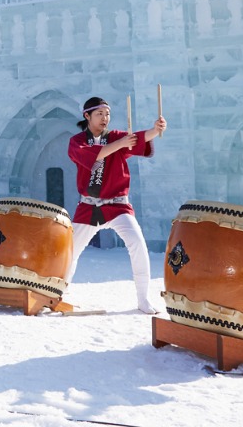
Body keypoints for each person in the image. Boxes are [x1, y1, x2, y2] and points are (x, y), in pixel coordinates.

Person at [66, 96, 167, 313]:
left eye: (108, 114)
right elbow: (96, 155)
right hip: (89, 207)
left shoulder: (115, 136)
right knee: (69, 252)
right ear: (87, 116)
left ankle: (143, 299)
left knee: (138, 245)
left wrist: (155, 129)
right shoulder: (77, 141)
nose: (105, 118)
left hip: (118, 206)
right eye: (100, 114)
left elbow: (139, 138)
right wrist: (120, 144)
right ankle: (58, 295)